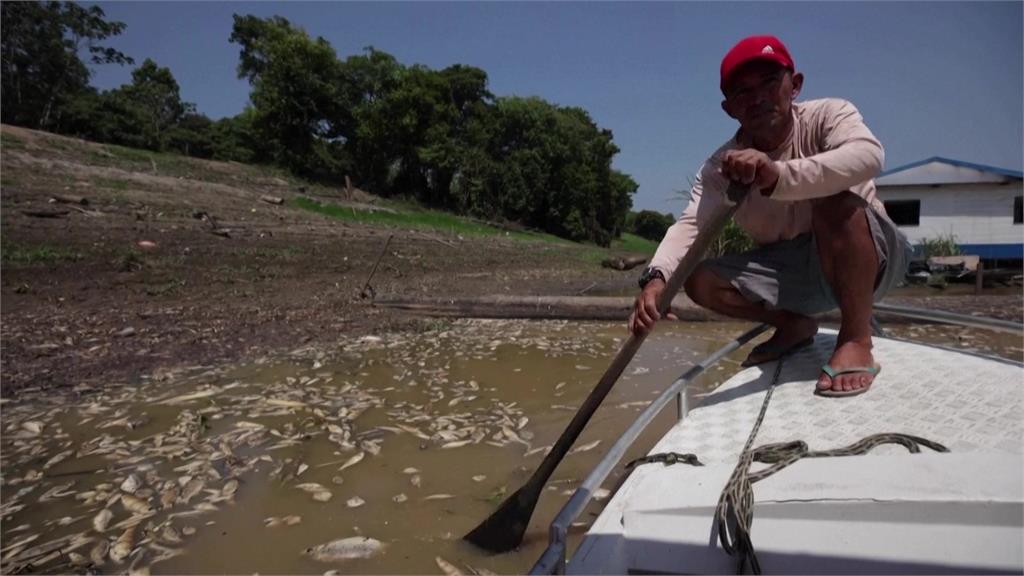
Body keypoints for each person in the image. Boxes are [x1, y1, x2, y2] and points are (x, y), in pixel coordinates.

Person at [629, 35, 910, 397]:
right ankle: (794, 325)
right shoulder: (720, 166)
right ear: (729, 108)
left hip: (871, 257)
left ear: (795, 86)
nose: (757, 97)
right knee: (699, 280)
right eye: (742, 92)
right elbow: (691, 225)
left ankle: (856, 337)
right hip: (796, 269)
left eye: (768, 82)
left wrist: (778, 175)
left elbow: (869, 156)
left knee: (834, 201)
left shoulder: (828, 116)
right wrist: (656, 279)